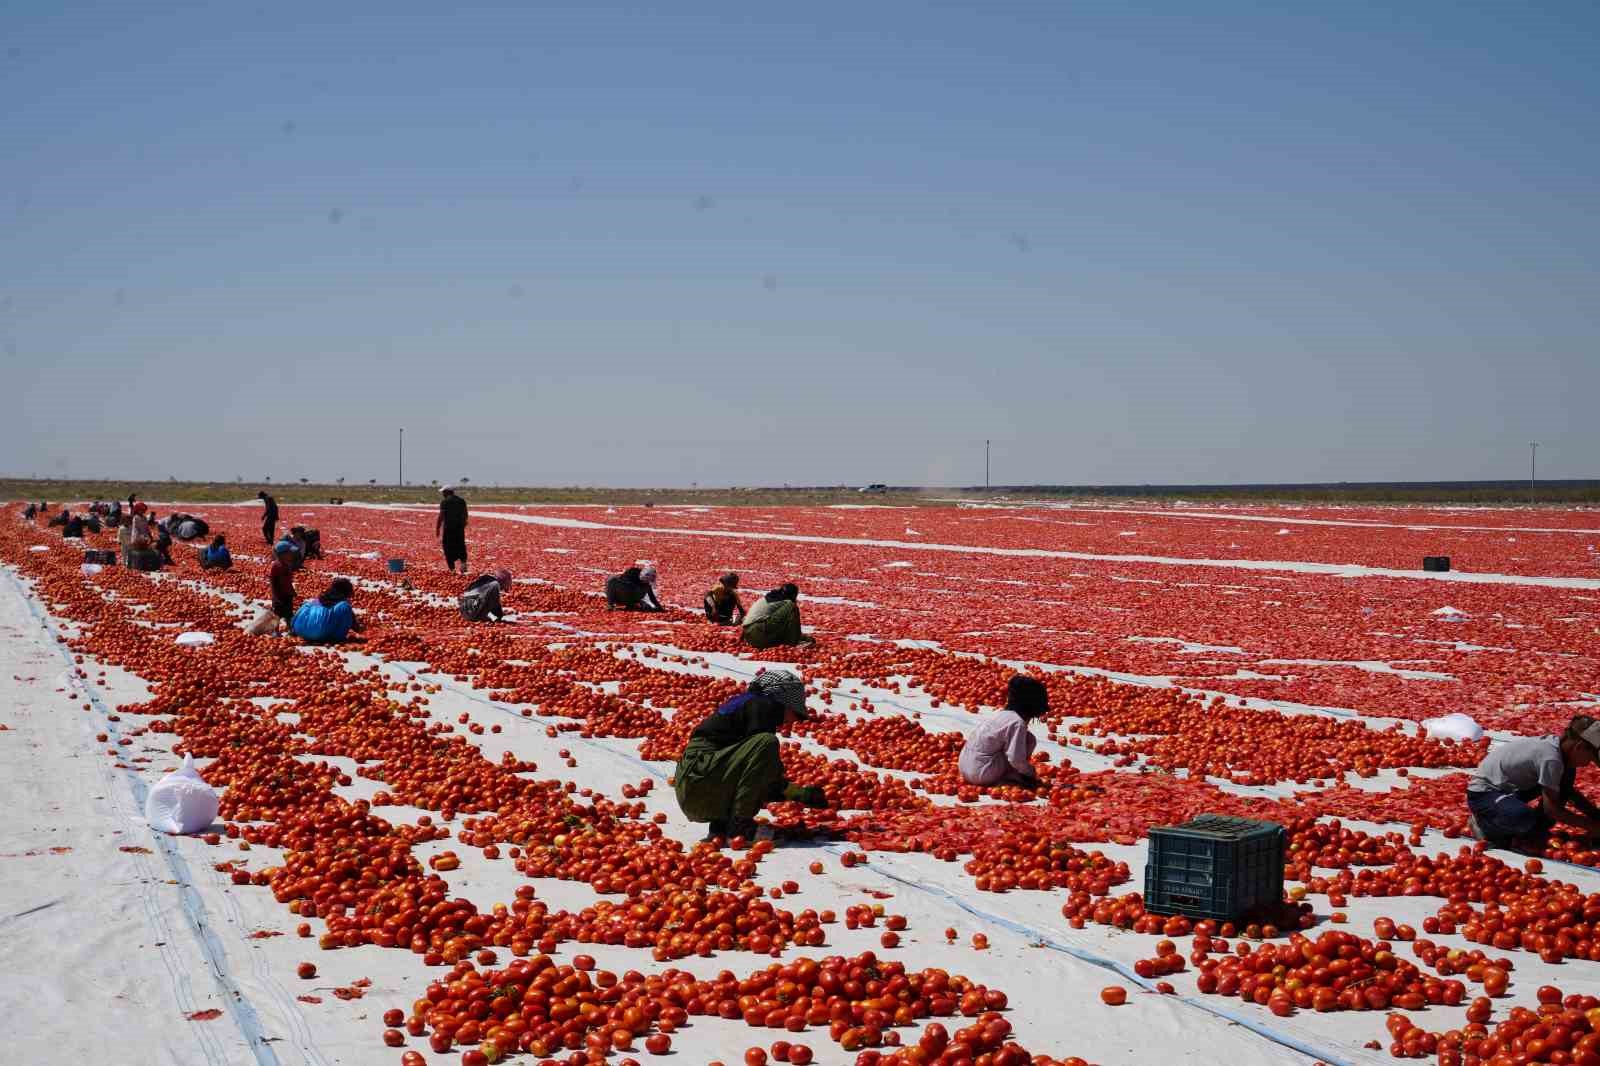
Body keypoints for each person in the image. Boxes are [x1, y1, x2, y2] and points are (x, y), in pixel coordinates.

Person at [673, 669, 829, 842]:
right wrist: (801, 794)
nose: (792, 720)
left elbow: (746, 773)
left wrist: (797, 793)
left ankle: (721, 828)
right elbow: (763, 772)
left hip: (696, 784)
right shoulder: (763, 705)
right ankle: (739, 827)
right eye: (795, 712)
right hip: (700, 782)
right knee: (766, 743)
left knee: (756, 758)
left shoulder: (747, 704)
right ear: (782, 701)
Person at [1467, 715, 1600, 852]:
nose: (1587, 764)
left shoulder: (1559, 751)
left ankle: (1528, 829)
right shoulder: (1551, 758)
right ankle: (1484, 824)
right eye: (1590, 758)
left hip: (1510, 789)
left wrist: (1595, 814)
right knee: (1522, 817)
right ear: (1579, 747)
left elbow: (1568, 792)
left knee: (1564, 780)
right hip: (1484, 793)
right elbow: (1552, 810)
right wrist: (1593, 827)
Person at [958, 675, 1050, 788]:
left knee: (1027, 737)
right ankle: (1010, 777)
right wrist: (1030, 773)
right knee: (1028, 742)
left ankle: (1007, 774)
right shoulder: (1017, 722)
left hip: (964, 768)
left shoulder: (1002, 715)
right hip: (982, 774)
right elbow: (1015, 758)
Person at [292, 577, 364, 643]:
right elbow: (354, 626)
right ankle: (336, 638)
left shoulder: (319, 599)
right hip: (318, 634)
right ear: (345, 591)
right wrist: (361, 630)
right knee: (345, 607)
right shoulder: (342, 604)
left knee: (308, 604)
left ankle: (294, 630)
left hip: (299, 630)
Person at [742, 583, 813, 649]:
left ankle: (793, 640)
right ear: (793, 595)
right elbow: (791, 621)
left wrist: (802, 637)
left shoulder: (769, 598)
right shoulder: (787, 602)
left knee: (786, 616)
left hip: (750, 638)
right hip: (759, 634)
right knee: (792, 606)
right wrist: (796, 638)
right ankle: (795, 643)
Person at [437, 488, 469, 573]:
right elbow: (465, 514)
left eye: (443, 492)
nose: (442, 494)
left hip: (448, 529)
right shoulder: (461, 501)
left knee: (447, 547)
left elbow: (441, 516)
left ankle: (452, 569)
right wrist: (463, 524)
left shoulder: (445, 502)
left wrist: (438, 528)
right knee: (461, 545)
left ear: (447, 492)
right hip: (459, 528)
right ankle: (463, 564)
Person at [268, 542, 297, 634]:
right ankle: (275, 631)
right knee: (277, 614)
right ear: (283, 554)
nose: (292, 554)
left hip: (285, 594)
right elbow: (277, 582)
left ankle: (291, 630)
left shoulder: (285, 564)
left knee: (288, 614)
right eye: (290, 552)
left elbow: (287, 581)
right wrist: (275, 596)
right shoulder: (278, 566)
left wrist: (292, 591)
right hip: (280, 595)